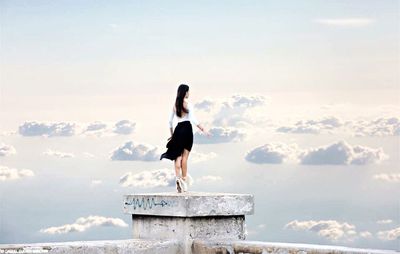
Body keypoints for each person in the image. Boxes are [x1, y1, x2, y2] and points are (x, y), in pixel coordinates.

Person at [160, 84, 211, 193]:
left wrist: (172, 135)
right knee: (185, 158)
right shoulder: (188, 104)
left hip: (178, 130)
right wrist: (204, 129)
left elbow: (169, 122)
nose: (189, 93)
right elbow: (193, 119)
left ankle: (178, 178)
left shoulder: (175, 105)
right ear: (185, 92)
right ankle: (183, 180)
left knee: (177, 157)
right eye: (188, 91)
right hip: (187, 130)